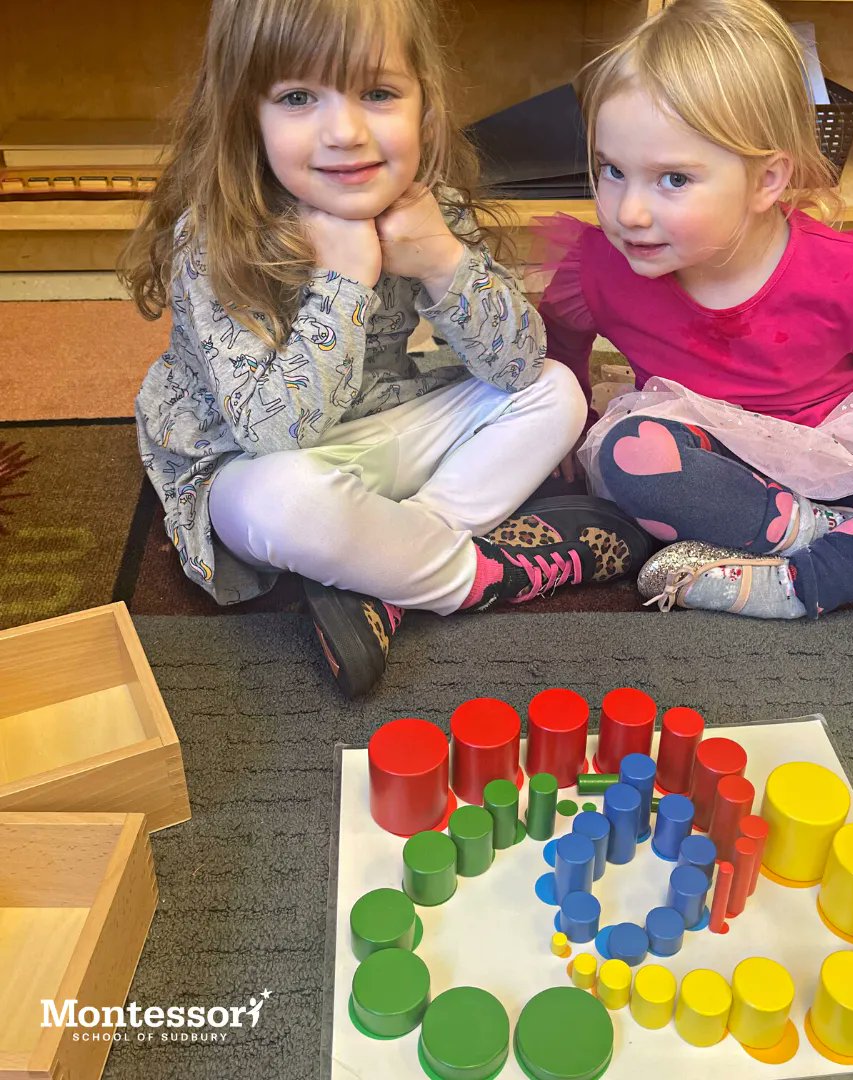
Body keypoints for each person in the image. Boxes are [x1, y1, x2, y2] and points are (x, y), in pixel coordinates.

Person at [119, 0, 652, 697]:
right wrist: (343, 280)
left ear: (423, 105)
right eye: (299, 97)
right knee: (284, 501)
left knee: (558, 391)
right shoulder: (217, 236)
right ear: (247, 112)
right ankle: (474, 578)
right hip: (252, 465)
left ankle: (390, 568)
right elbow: (276, 435)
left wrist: (439, 259)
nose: (345, 131)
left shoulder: (425, 201)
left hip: (387, 428)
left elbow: (517, 366)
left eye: (377, 93)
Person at [535, 0, 853, 620]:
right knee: (623, 454)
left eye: (672, 179)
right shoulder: (596, 266)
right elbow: (560, 352)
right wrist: (566, 431)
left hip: (840, 442)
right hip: (712, 455)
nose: (628, 212)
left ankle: (802, 584)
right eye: (612, 170)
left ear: (767, 179)